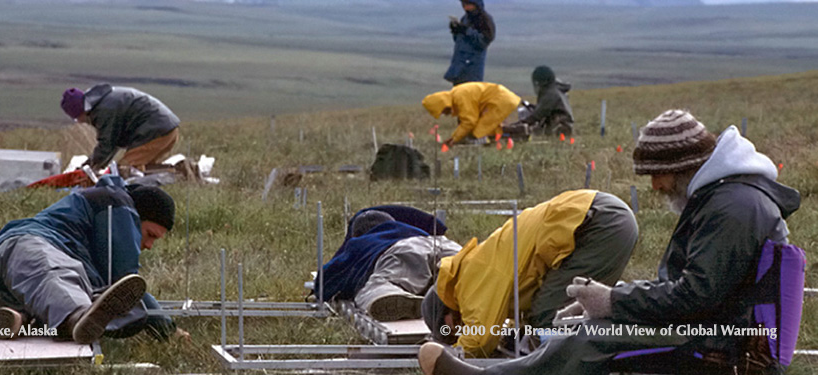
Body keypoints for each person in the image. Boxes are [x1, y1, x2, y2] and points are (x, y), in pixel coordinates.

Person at [418, 109, 801, 375]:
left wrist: (614, 303)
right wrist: (611, 299)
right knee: (586, 329)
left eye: (658, 174)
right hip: (719, 327)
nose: (655, 186)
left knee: (592, 338)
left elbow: (697, 295)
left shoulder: (733, 207)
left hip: (730, 342)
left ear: (682, 166)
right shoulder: (725, 200)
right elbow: (694, 290)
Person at [421, 189, 638, 358]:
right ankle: (624, 334)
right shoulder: (472, 269)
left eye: (449, 331)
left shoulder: (470, 281)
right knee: (569, 310)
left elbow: (479, 340)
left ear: (445, 314)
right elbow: (515, 311)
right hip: (601, 218)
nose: (455, 333)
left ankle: (579, 362)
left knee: (549, 315)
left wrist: (446, 359)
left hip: (597, 222)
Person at [0, 175, 184, 344]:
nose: (149, 245)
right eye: (150, 235)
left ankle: (18, 320)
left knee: (95, 295)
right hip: (27, 249)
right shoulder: (116, 203)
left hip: (11, 282)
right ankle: (77, 316)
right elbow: (124, 279)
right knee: (58, 276)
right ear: (134, 217)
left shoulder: (88, 238)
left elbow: (118, 292)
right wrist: (168, 330)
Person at [317, 206, 461, 322]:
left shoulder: (362, 242)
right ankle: (467, 289)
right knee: (461, 270)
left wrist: (320, 287)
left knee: (380, 284)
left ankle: (392, 296)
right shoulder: (414, 230)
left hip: (404, 251)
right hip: (443, 244)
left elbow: (331, 275)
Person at [61, 84, 180, 171]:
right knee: (142, 169)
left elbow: (107, 144)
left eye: (77, 118)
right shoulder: (102, 101)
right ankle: (179, 171)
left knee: (124, 169)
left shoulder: (105, 110)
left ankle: (182, 173)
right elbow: (113, 143)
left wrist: (87, 168)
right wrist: (92, 165)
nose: (80, 122)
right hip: (168, 129)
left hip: (157, 132)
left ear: (82, 111)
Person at [422, 82, 522, 146]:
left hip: (501, 101)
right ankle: (517, 133)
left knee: (479, 132)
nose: (446, 114)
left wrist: (455, 139)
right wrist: (454, 138)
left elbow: (469, 121)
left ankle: (520, 134)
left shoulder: (460, 97)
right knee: (487, 129)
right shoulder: (457, 94)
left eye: (443, 111)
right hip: (502, 99)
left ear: (444, 104)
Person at [503, 66, 574, 138]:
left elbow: (537, 115)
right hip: (562, 125)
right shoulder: (553, 90)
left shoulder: (551, 94)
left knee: (527, 131)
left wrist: (515, 125)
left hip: (560, 128)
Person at [445, 0, 495, 86]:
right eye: (464, 5)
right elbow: (460, 42)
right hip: (459, 66)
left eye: (468, 4)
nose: (465, 8)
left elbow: (483, 42)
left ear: (476, 4)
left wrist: (465, 31)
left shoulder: (484, 20)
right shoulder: (466, 18)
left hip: (472, 68)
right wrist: (456, 31)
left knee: (470, 97)